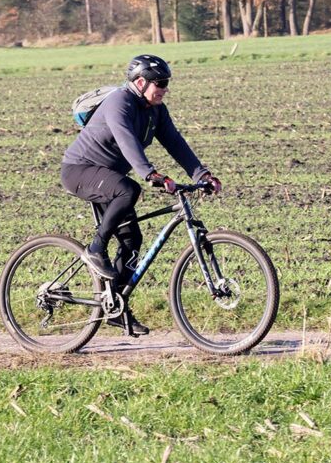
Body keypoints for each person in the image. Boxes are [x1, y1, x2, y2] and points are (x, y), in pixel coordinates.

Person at [60, 54, 221, 336]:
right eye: (160, 82)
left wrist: (201, 175)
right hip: (81, 171)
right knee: (129, 189)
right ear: (141, 81)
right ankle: (95, 249)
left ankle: (115, 308)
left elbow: (175, 142)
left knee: (133, 240)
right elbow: (126, 140)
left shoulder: (156, 110)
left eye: (167, 83)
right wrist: (150, 174)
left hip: (109, 178)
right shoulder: (119, 102)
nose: (164, 88)